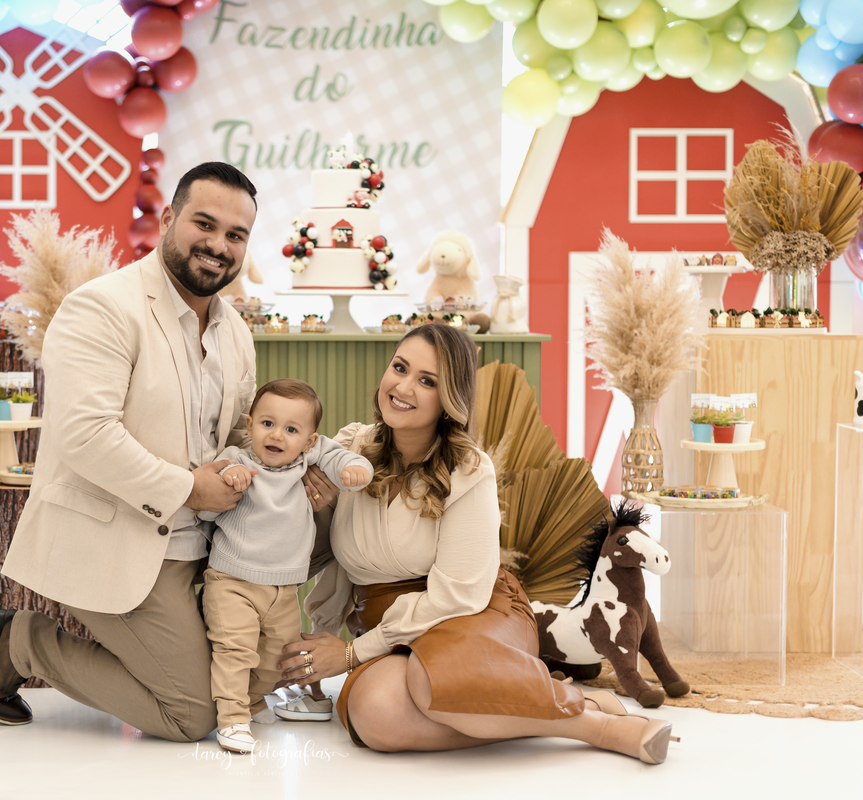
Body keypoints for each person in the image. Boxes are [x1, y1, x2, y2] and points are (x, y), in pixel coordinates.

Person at [274, 323, 679, 765]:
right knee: (376, 714)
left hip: (474, 610)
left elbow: (456, 596)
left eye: (427, 381)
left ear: (449, 400)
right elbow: (318, 555)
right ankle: (558, 702)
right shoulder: (349, 449)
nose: (403, 388)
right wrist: (318, 508)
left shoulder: (468, 469)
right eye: (400, 368)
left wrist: (353, 653)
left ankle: (595, 725)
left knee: (433, 678)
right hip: (394, 626)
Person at [0, 162, 268, 743]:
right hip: (120, 541)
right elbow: (85, 434)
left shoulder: (236, 331)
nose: (219, 245)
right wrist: (190, 488)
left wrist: (267, 466)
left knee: (247, 688)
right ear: (167, 218)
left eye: (236, 235)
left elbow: (233, 434)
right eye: (205, 224)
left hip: (205, 547)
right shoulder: (102, 306)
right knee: (193, 715)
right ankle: (16, 643)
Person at [198, 378, 373, 753]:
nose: (277, 435)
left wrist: (356, 467)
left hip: (284, 588)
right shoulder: (238, 459)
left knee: (277, 660)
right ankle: (232, 718)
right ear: (250, 425)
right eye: (267, 423)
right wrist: (228, 479)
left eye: (291, 429)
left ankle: (253, 700)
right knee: (234, 651)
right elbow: (207, 504)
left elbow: (338, 457)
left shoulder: (308, 459)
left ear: (309, 441)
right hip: (232, 581)